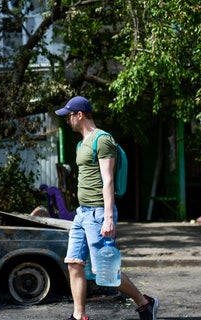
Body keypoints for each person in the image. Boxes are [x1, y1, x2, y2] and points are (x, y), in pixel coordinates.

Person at [55, 96, 159, 320]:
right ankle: (79, 315)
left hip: (98, 213)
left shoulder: (102, 140)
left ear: (80, 115)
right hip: (82, 213)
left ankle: (145, 303)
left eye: (69, 116)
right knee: (73, 263)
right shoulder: (80, 144)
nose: (67, 121)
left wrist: (109, 218)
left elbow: (108, 179)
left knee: (105, 272)